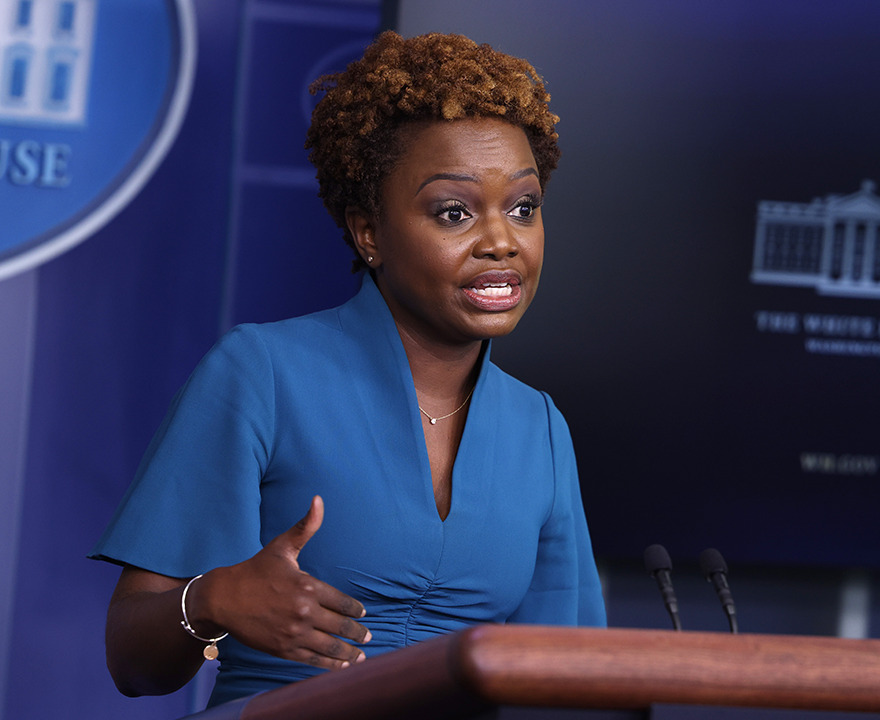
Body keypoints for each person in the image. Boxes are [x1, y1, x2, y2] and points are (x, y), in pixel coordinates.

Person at [90, 30, 606, 710]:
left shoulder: (538, 428)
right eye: (454, 212)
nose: (501, 241)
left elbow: (570, 678)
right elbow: (134, 661)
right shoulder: (263, 373)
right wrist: (212, 597)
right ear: (368, 232)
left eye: (523, 208)